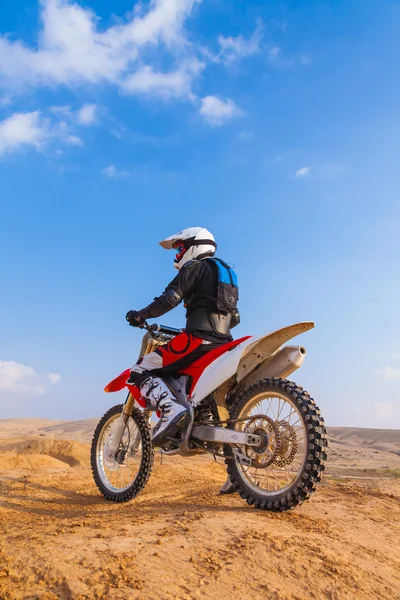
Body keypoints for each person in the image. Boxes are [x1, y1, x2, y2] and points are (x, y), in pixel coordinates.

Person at [125, 227, 240, 466]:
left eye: (179, 249)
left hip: (198, 340)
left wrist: (141, 315)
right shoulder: (227, 273)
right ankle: (236, 471)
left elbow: (170, 299)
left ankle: (171, 410)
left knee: (139, 371)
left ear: (194, 246)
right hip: (225, 344)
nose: (177, 255)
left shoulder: (194, 267)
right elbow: (235, 317)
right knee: (221, 402)